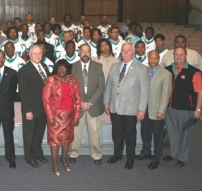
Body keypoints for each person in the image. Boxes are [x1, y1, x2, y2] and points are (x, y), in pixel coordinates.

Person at [103, 42, 149, 170]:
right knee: (116, 133)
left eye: (129, 50)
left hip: (131, 109)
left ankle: (130, 158)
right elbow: (109, 85)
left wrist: (141, 109)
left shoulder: (142, 69)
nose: (126, 53)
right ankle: (117, 154)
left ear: (133, 52)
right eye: (124, 50)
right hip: (115, 107)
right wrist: (106, 101)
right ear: (120, 52)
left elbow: (145, 92)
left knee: (130, 135)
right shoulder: (114, 66)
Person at [163, 47, 202, 167]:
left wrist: (198, 109)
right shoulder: (167, 70)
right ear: (173, 55)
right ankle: (173, 153)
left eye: (181, 54)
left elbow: (200, 92)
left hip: (186, 109)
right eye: (176, 54)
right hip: (170, 109)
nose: (178, 57)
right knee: (172, 133)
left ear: (185, 55)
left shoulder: (194, 72)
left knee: (185, 134)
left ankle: (183, 157)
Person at [43, 59, 81, 177]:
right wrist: (50, 117)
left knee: (67, 140)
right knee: (55, 142)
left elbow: (78, 99)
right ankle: (55, 164)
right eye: (59, 67)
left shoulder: (73, 80)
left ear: (67, 68)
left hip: (69, 117)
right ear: (56, 68)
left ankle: (64, 160)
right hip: (55, 117)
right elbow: (46, 99)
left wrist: (77, 116)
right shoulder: (51, 80)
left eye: (64, 67)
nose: (61, 69)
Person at [135, 51, 172, 170]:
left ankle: (156, 158)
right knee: (145, 133)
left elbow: (166, 95)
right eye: (151, 58)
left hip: (157, 111)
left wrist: (161, 110)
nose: (153, 60)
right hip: (144, 109)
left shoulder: (166, 74)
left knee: (158, 136)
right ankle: (146, 152)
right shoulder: (144, 71)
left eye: (155, 58)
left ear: (159, 58)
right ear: (148, 58)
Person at [69, 44, 105, 165]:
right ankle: (73, 153)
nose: (85, 54)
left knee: (95, 132)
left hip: (93, 106)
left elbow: (101, 87)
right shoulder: (73, 67)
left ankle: (96, 154)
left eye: (87, 51)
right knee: (75, 132)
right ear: (79, 53)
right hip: (77, 106)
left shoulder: (98, 66)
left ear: (91, 53)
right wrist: (80, 103)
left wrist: (89, 102)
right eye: (83, 51)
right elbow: (70, 88)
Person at [18, 44, 50, 168]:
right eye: (35, 53)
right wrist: (28, 110)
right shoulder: (24, 70)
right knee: (29, 134)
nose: (37, 55)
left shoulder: (45, 67)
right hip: (31, 109)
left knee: (39, 133)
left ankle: (38, 153)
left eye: (39, 53)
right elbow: (23, 92)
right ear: (29, 55)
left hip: (43, 108)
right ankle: (29, 157)